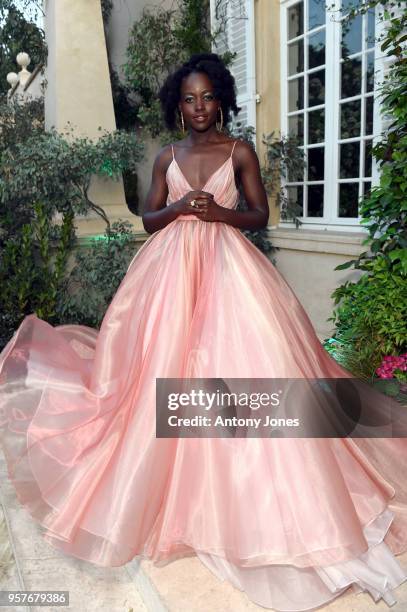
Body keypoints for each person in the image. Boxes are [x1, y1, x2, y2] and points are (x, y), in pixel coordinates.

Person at [0, 52, 406, 611]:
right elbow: (148, 217)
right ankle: (174, 486)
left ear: (222, 99)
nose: (198, 108)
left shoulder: (238, 152)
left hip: (230, 272)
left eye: (207, 97)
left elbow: (261, 215)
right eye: (188, 99)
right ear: (177, 103)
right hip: (167, 276)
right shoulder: (167, 154)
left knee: (248, 363)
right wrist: (179, 210)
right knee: (160, 371)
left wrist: (219, 214)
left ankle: (261, 486)